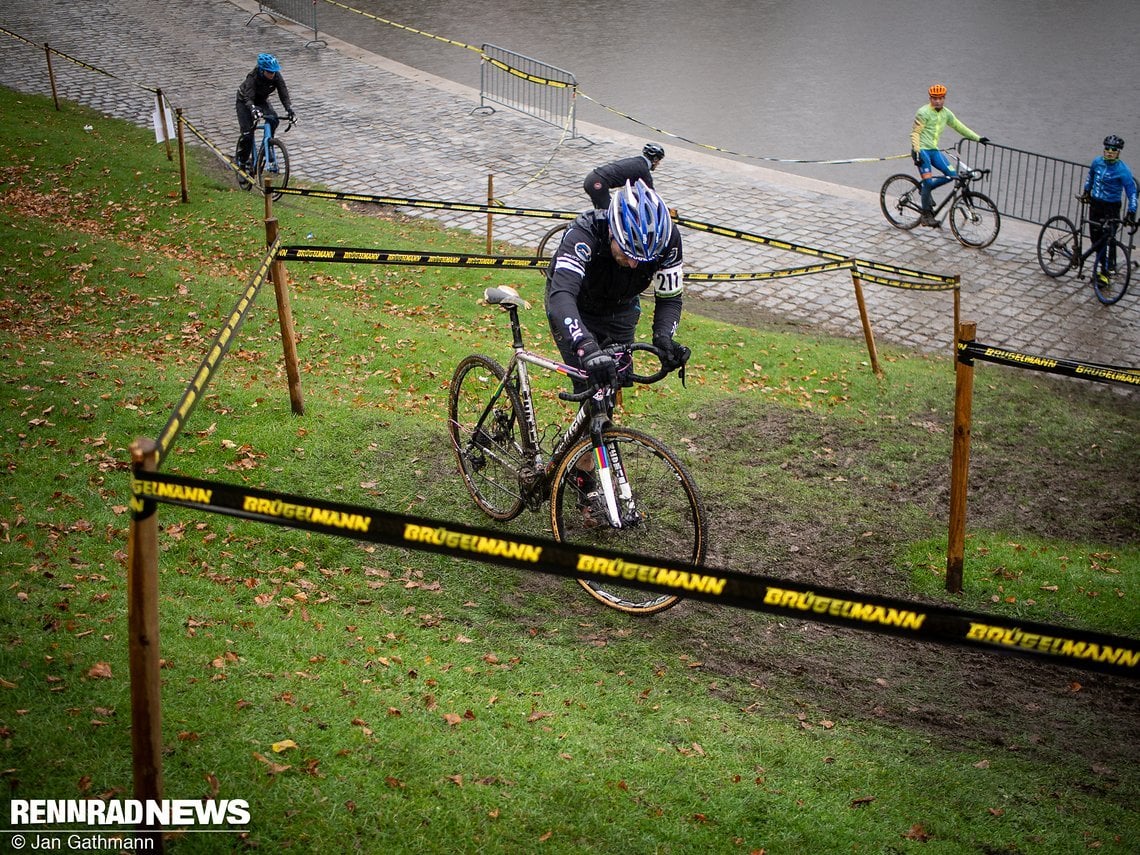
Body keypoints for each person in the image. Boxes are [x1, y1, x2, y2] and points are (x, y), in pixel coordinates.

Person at [545, 179, 688, 509]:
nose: (636, 264)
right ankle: (582, 476)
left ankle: (592, 434)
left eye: (645, 259)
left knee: (610, 390)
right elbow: (561, 298)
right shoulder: (585, 233)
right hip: (575, 305)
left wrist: (664, 339)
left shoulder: (668, 241)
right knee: (591, 381)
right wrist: (586, 346)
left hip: (621, 309)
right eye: (628, 253)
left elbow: (670, 298)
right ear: (612, 232)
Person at [910, 83, 989, 227]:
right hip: (921, 151)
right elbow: (915, 133)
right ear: (930, 98)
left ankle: (925, 192)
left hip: (933, 150)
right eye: (935, 98)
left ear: (944, 98)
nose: (938, 101)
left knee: (951, 175)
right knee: (928, 181)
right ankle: (925, 215)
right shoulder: (923, 112)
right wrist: (916, 152)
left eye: (940, 98)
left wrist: (978, 138)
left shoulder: (946, 113)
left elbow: (959, 127)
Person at [1081, 135, 1138, 282]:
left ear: (1118, 152)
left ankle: (1106, 271)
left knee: (1109, 238)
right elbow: (1090, 177)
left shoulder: (1123, 170)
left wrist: (1131, 212)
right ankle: (1103, 266)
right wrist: (1086, 191)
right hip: (1096, 204)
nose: (1110, 152)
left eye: (1114, 149)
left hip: (1111, 207)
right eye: (1107, 148)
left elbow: (1132, 192)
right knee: (1096, 239)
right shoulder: (1097, 162)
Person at [235, 53, 296, 173]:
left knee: (274, 119)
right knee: (247, 134)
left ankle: (267, 147)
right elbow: (248, 98)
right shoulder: (252, 77)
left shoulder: (276, 76)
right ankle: (242, 161)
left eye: (273, 72)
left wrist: (289, 109)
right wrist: (253, 109)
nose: (272, 74)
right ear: (262, 70)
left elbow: (283, 93)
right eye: (269, 72)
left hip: (261, 100)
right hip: (245, 101)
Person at [582, 143, 665, 209]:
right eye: (659, 161)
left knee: (600, 211)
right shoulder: (643, 170)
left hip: (592, 178)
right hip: (598, 183)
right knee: (609, 214)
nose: (658, 164)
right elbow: (651, 195)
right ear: (655, 160)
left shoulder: (637, 161)